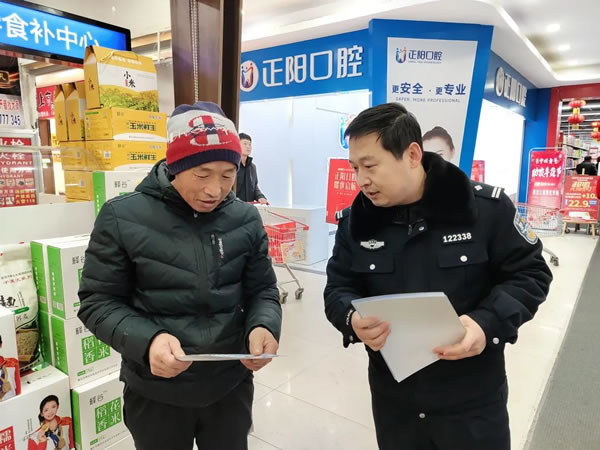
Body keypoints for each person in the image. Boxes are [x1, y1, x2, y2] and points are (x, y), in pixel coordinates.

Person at [324, 103, 552, 450]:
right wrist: (351, 318)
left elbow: (531, 273)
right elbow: (338, 287)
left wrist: (485, 323)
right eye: (355, 168)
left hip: (472, 402)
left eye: (370, 166)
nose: (361, 180)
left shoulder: (484, 210)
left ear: (412, 155)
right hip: (395, 404)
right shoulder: (356, 223)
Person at [78, 102, 282, 450]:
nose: (215, 189)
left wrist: (264, 325)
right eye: (202, 174)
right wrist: (148, 341)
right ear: (175, 165)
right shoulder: (122, 217)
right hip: (156, 392)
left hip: (229, 387)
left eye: (228, 175)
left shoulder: (245, 219)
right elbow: (97, 302)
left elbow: (263, 289)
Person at [236, 133, 268, 203]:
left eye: (249, 144)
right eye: (245, 144)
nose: (248, 147)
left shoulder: (253, 167)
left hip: (249, 207)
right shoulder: (233, 165)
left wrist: (260, 196)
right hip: (233, 206)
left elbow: (254, 186)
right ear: (237, 145)